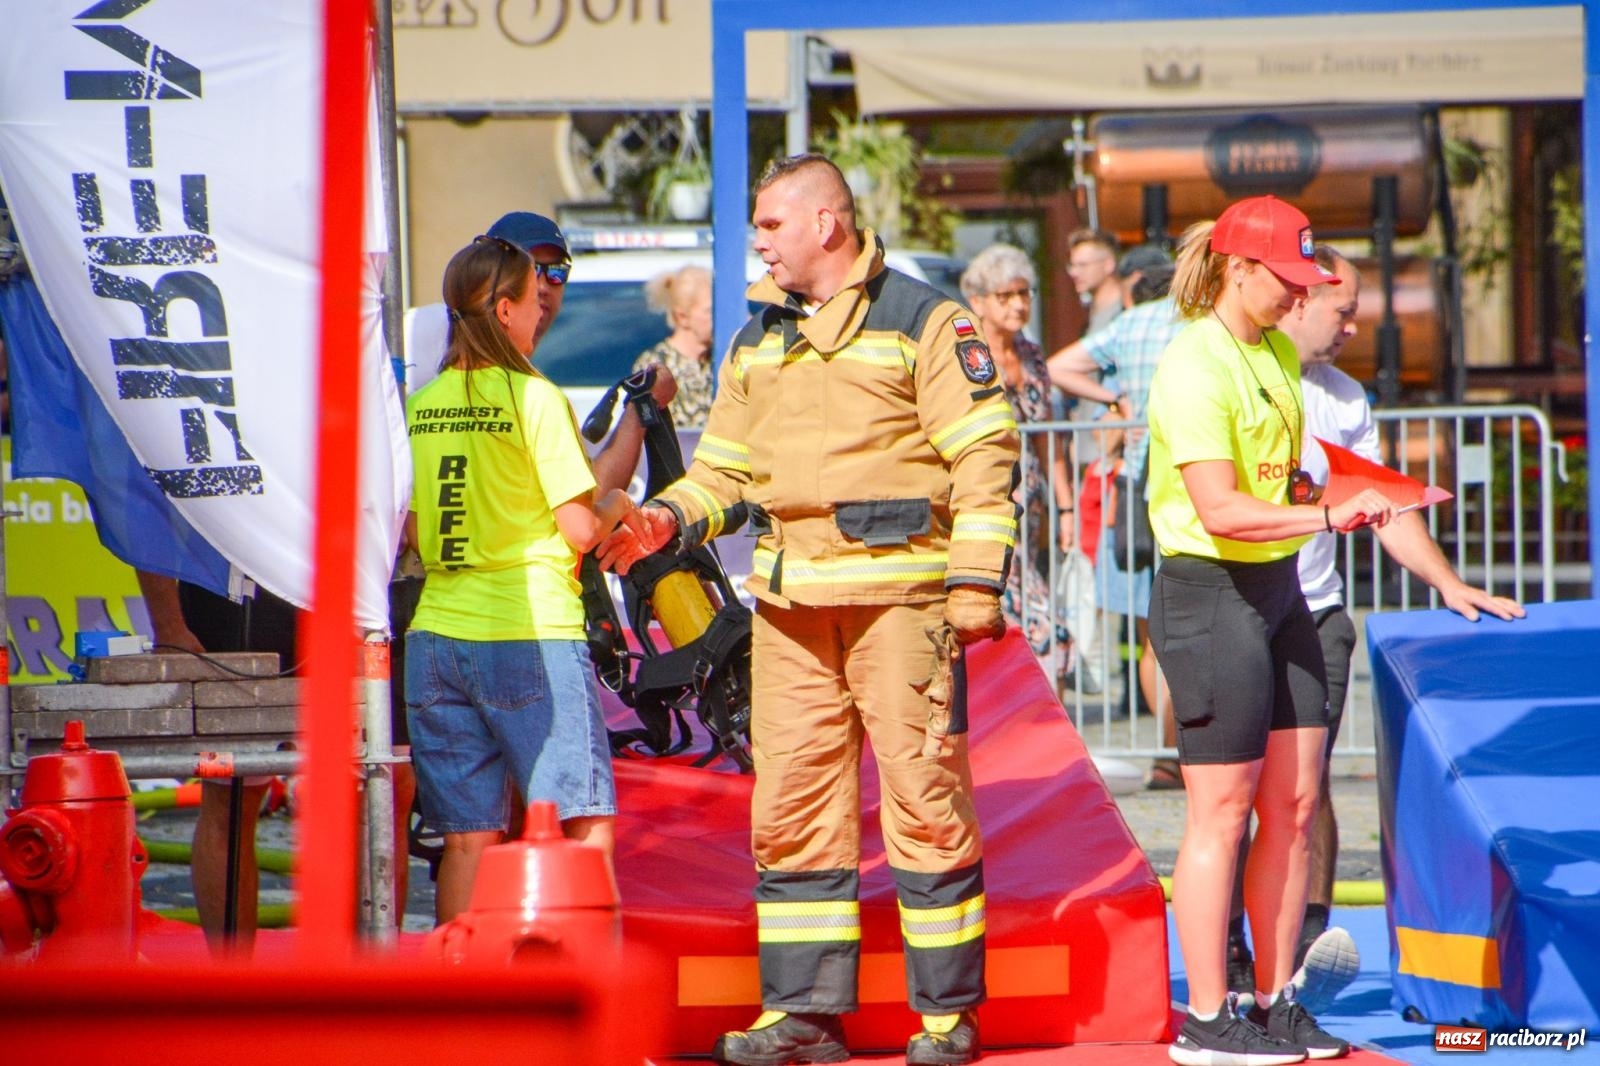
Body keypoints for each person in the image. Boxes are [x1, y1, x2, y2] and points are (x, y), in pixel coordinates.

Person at [598, 153, 1020, 1066]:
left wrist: (976, 579)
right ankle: (803, 1018)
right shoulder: (760, 338)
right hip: (792, 610)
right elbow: (726, 471)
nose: (759, 241)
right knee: (791, 809)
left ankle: (947, 1020)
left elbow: (986, 452)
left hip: (903, 604)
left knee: (925, 801)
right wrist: (666, 515)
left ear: (827, 224)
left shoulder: (925, 321)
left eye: (772, 224)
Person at [1221, 245, 1526, 1014]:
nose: (1356, 326)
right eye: (1345, 308)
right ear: (1299, 298)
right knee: (1231, 794)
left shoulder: (1347, 399)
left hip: (1313, 612)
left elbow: (1386, 507)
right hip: (1229, 607)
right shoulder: (1229, 372)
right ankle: (1228, 947)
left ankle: (1299, 950)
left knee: (1302, 791)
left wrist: (1448, 582)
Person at [1147, 195, 1400, 1065]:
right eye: (1288, 279)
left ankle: (1276, 995)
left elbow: (1282, 483)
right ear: (1239, 269)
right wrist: (1327, 519)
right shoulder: (1194, 364)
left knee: (1294, 805)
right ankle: (1208, 1017)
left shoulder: (1279, 352)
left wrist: (1328, 504)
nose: (1301, 294)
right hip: (1208, 592)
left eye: (1307, 278)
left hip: (1278, 588)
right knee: (1220, 812)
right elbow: (1217, 506)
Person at [403, 234, 645, 923]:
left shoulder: (422, 405)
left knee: (466, 841)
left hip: (436, 638)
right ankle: (591, 1005)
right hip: (529, 630)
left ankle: (457, 1014)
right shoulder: (534, 399)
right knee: (584, 826)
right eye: (532, 296)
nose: (543, 307)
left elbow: (417, 535)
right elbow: (580, 529)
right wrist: (618, 503)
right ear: (504, 310)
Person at [404, 211, 676, 495]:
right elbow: (586, 516)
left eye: (557, 272)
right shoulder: (427, 336)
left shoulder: (511, 374)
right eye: (530, 269)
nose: (543, 286)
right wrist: (641, 407)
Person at [1047, 245, 1181, 766]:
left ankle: (1171, 753)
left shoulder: (1129, 327)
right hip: (1196, 479)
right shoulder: (1202, 321)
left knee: (1151, 636)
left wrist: (1117, 402)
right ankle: (1192, 749)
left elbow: (1061, 366)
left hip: (1137, 485)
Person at [136, 572, 296, 955]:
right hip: (230, 606)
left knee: (362, 803)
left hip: (328, 601)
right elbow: (147, 514)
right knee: (230, 801)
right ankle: (232, 982)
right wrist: (169, 625)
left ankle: (360, 984)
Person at [959, 245, 1073, 671]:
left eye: (1025, 293)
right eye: (1005, 296)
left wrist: (1066, 507)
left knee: (1027, 587)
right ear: (979, 301)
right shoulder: (967, 355)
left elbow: (1049, 437)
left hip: (1036, 500)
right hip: (991, 497)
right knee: (1014, 594)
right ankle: (1037, 661)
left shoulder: (1032, 355)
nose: (1019, 305)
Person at [633, 264, 714, 429]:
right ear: (682, 317)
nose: (719, 316)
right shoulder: (655, 365)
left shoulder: (722, 358)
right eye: (709, 311)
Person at [1065, 228, 1123, 337]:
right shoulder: (1091, 316)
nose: (1073, 273)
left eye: (1082, 265)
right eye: (1072, 265)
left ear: (1108, 265)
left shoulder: (1125, 311)